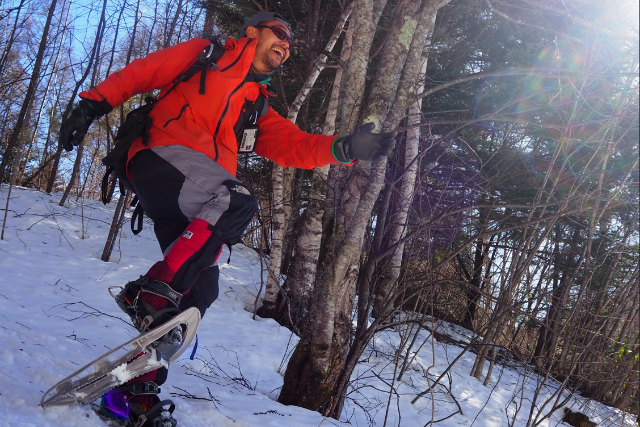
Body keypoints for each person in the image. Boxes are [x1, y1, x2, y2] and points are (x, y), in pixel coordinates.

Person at [59, 11, 396, 427]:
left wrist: (345, 147)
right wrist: (90, 105)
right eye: (281, 34)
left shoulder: (257, 103)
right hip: (160, 156)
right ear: (251, 33)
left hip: (194, 197)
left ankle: (131, 395)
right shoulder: (208, 55)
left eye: (291, 43)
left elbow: (294, 146)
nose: (286, 45)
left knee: (198, 296)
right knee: (236, 199)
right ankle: (149, 293)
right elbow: (143, 72)